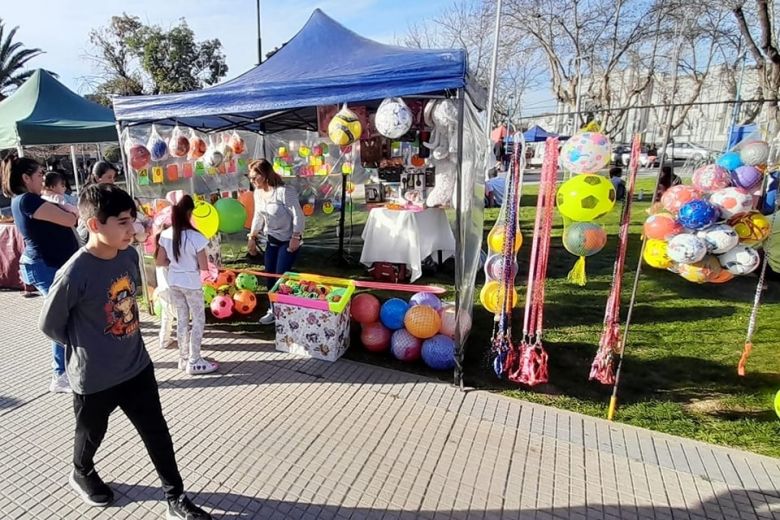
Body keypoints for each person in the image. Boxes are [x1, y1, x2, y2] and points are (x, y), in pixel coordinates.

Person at [39, 184, 212, 518]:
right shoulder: (74, 272)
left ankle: (175, 497)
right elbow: (50, 325)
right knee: (91, 434)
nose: (132, 228)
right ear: (94, 225)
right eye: (122, 222)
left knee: (156, 432)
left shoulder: (130, 255)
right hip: (95, 378)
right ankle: (81, 470)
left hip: (137, 367)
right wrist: (87, 345)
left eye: (133, 219)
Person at [2, 154, 79, 393]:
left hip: (50, 264)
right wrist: (68, 210)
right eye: (38, 175)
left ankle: (68, 368)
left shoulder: (30, 199)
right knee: (61, 319)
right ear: (25, 178)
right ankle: (60, 375)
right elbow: (69, 219)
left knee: (67, 316)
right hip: (45, 266)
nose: (42, 179)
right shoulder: (27, 201)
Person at [157, 195, 219, 375]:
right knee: (198, 320)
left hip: (174, 281)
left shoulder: (165, 234)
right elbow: (203, 265)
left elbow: (160, 261)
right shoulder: (195, 236)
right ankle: (195, 359)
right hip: (191, 283)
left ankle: (183, 358)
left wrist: (176, 265)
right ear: (190, 212)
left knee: (182, 319)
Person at [246, 159, 305, 325]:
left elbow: (298, 215)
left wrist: (296, 237)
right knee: (269, 276)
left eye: (254, 177)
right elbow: (258, 215)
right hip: (271, 239)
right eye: (249, 178)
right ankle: (273, 309)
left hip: (288, 240)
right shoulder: (258, 193)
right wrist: (252, 237)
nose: (251, 181)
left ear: (264, 175)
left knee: (281, 276)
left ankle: (286, 310)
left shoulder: (284, 192)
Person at [153, 219, 177, 350]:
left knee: (166, 316)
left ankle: (164, 340)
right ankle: (187, 341)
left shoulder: (158, 253)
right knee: (181, 317)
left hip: (163, 290)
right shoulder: (168, 257)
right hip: (172, 291)